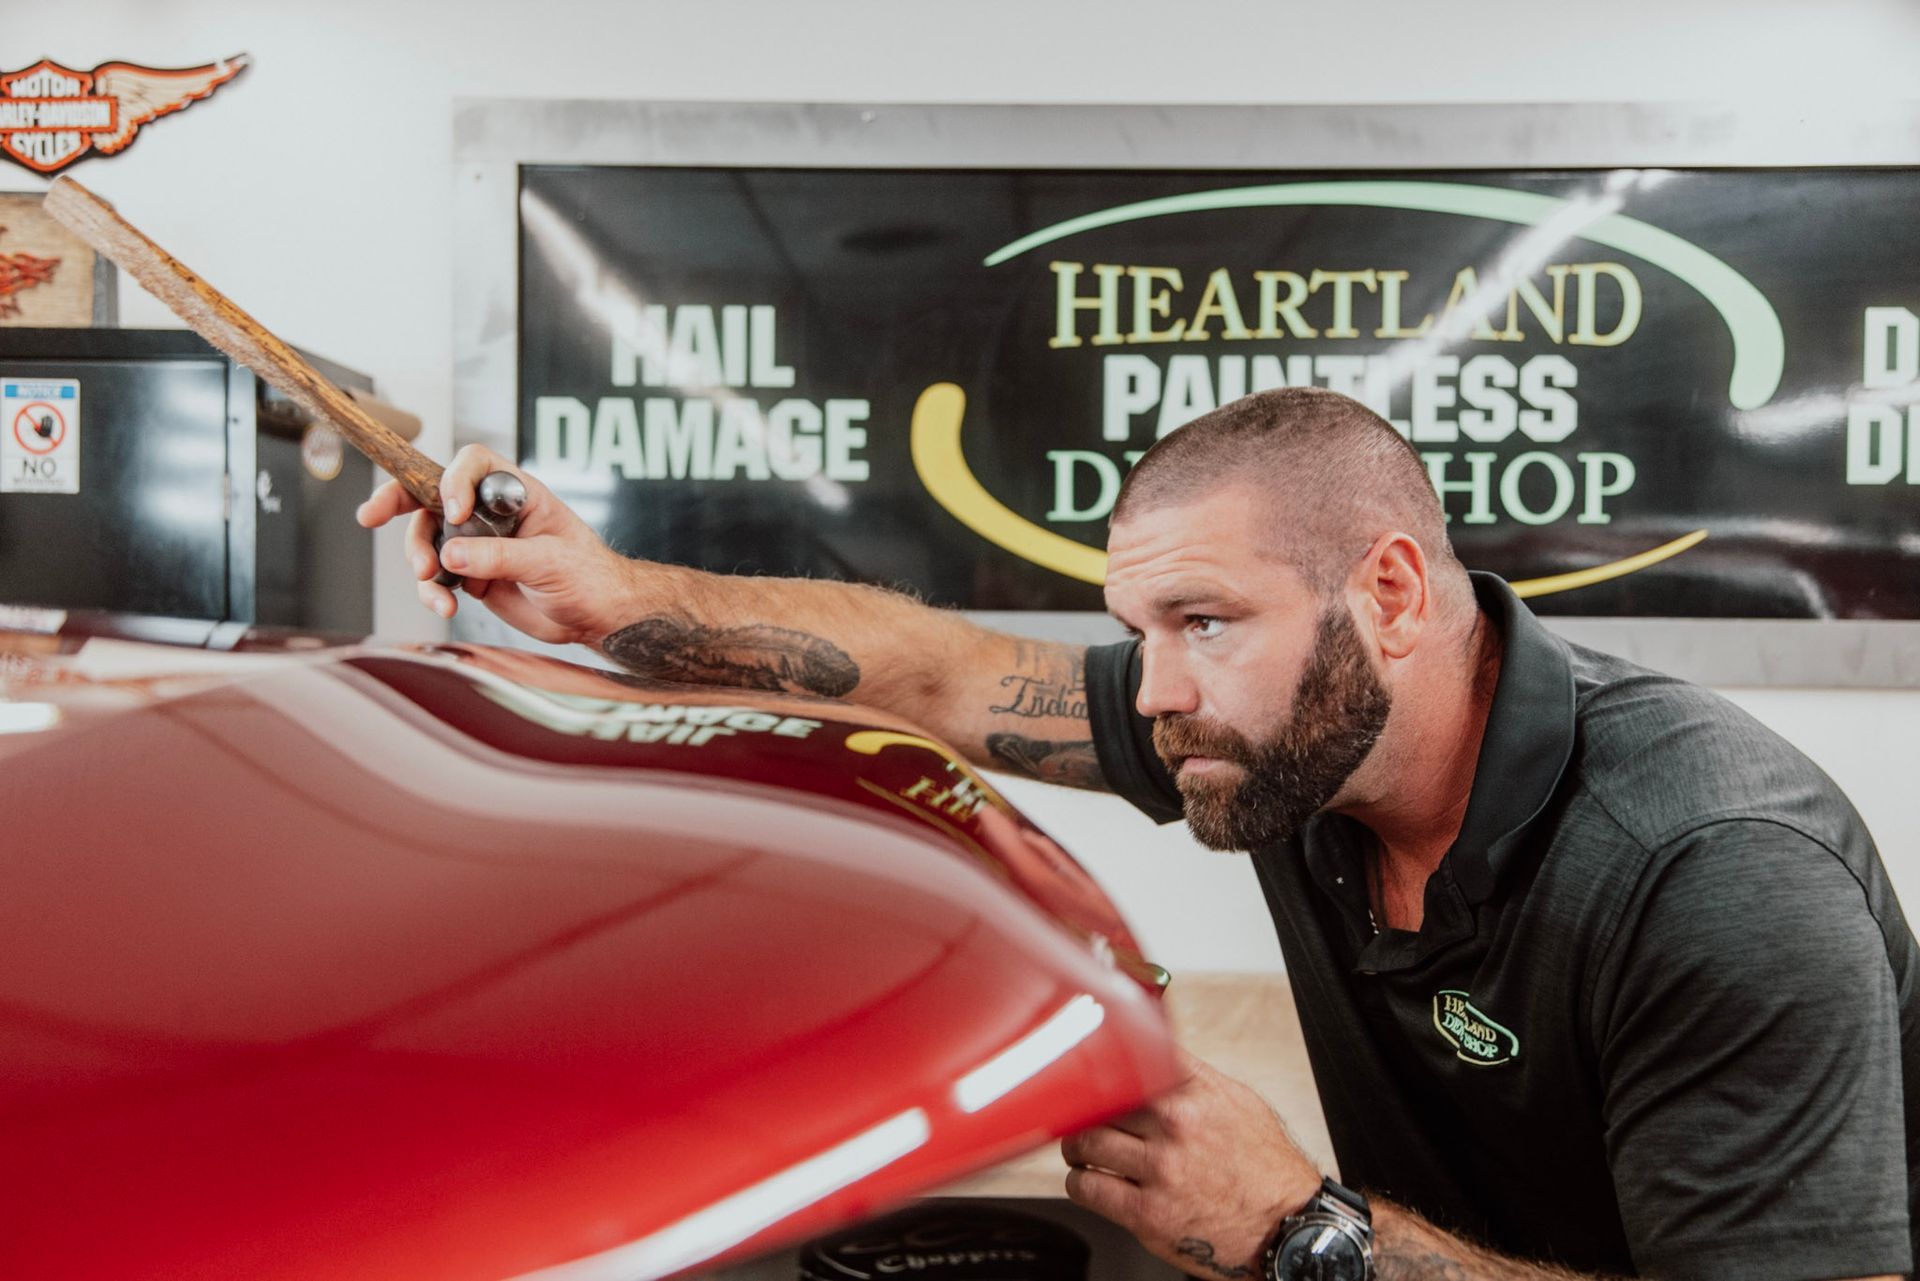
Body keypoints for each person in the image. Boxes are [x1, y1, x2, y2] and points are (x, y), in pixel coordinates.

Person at [360, 387, 1917, 1281]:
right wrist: (616, 595)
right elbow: (945, 674)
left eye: (1206, 622)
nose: (1156, 694)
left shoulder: (1714, 870)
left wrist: (1305, 1232)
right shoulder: (1282, 740)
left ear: (1389, 593)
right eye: (1137, 628)